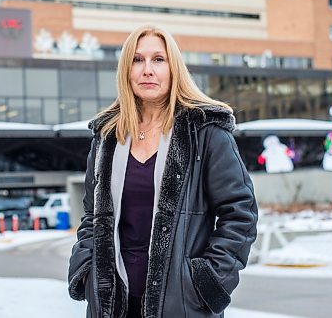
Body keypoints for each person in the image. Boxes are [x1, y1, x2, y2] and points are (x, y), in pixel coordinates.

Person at [68, 25, 258, 318]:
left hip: (182, 305)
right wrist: (86, 270)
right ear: (126, 70)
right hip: (113, 306)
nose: (147, 70)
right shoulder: (107, 137)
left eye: (158, 59)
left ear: (174, 68)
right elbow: (92, 217)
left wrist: (207, 282)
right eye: (137, 59)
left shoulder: (205, 133)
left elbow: (240, 213)